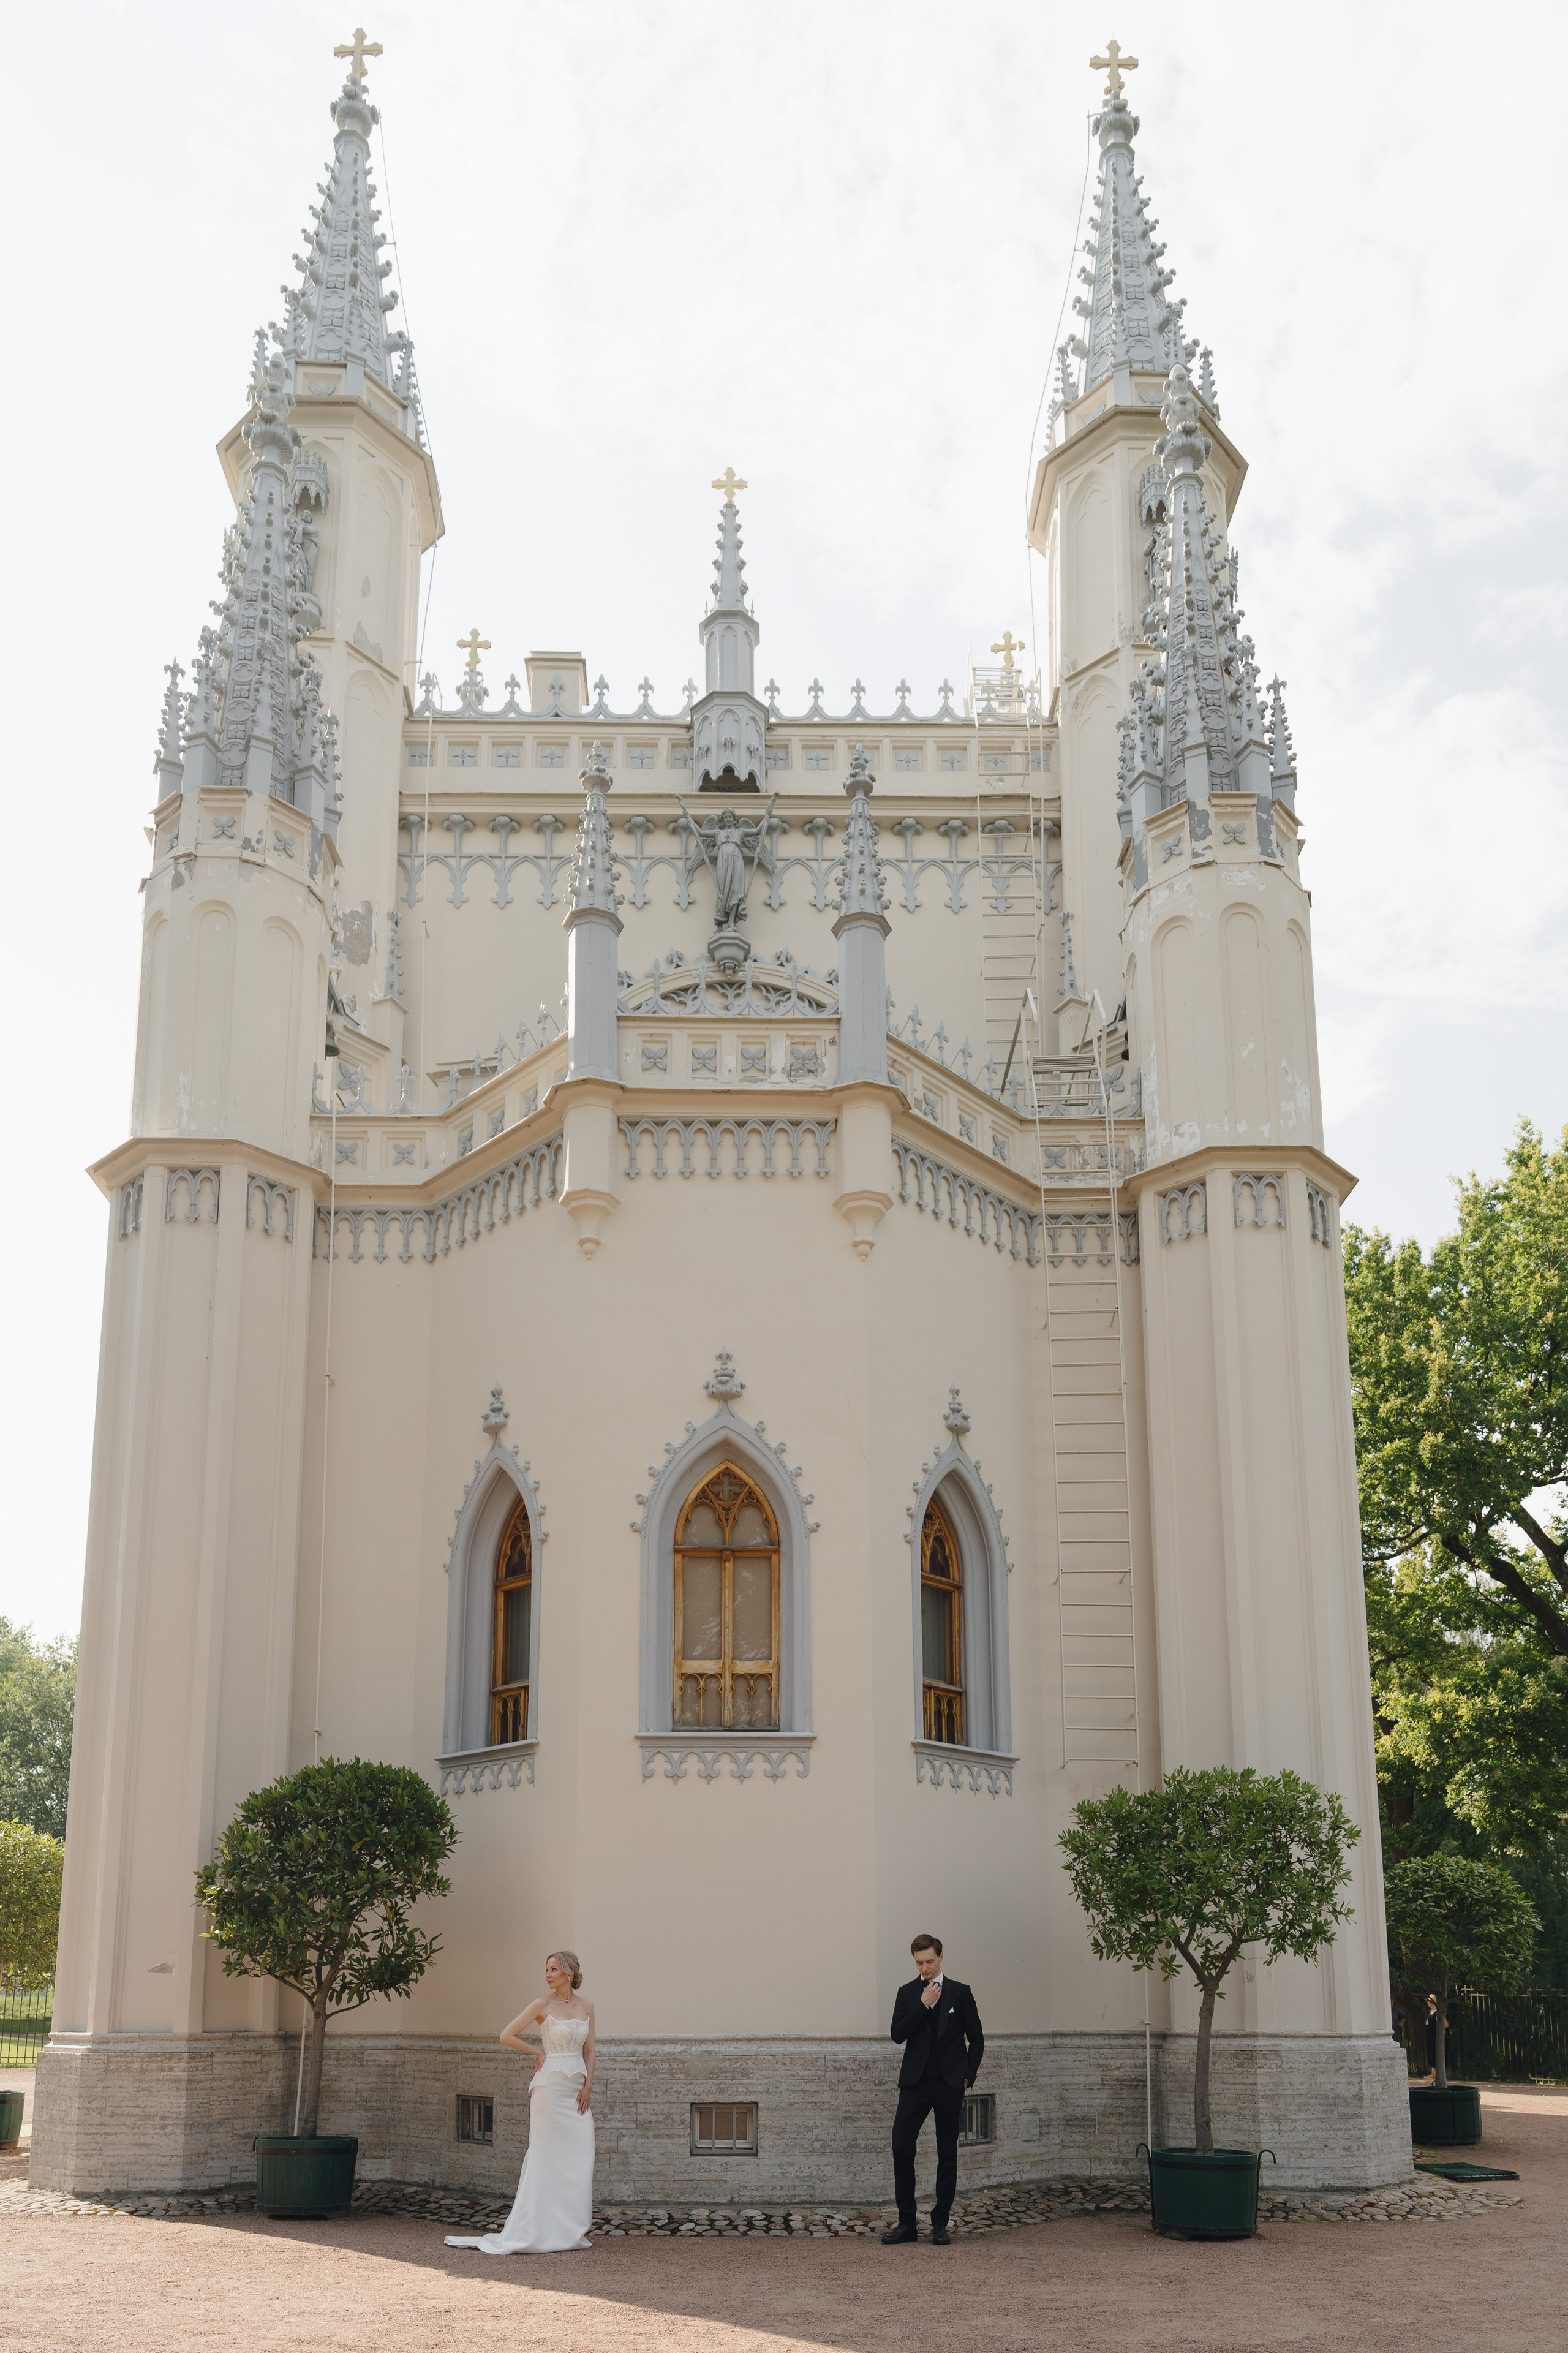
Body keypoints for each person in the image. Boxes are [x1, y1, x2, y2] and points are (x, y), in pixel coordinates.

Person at [445, 1951, 595, 2255]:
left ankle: (568, 2230)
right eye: (547, 1970)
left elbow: (590, 2050)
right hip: (549, 2091)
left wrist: (589, 2085)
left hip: (577, 2090)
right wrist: (538, 2053)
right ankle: (536, 2230)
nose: (548, 1975)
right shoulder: (541, 2005)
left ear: (569, 1972)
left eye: (554, 1969)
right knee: (545, 2157)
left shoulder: (587, 2006)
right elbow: (506, 2035)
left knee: (580, 2157)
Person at [882, 1932, 984, 2246]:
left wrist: (968, 2076)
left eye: (929, 1961)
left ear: (941, 1957)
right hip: (915, 2084)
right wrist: (923, 2006)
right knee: (901, 2147)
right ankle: (906, 2223)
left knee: (946, 2153)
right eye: (918, 1963)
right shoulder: (907, 1992)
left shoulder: (962, 1993)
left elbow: (977, 2039)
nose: (924, 1968)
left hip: (950, 2084)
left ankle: (940, 2223)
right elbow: (897, 2034)